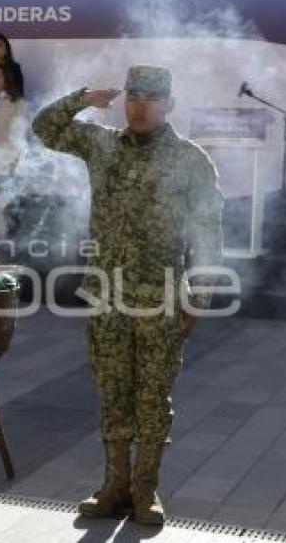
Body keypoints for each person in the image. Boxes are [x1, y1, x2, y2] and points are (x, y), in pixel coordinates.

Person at [32, 65, 223, 525]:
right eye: (133, 97)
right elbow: (44, 129)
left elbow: (209, 233)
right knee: (112, 393)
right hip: (106, 296)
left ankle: (145, 491)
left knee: (153, 398)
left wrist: (200, 296)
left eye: (151, 98)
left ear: (169, 104)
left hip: (160, 300)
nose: (139, 106)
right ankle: (113, 486)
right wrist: (81, 98)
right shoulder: (101, 145)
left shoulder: (190, 160)